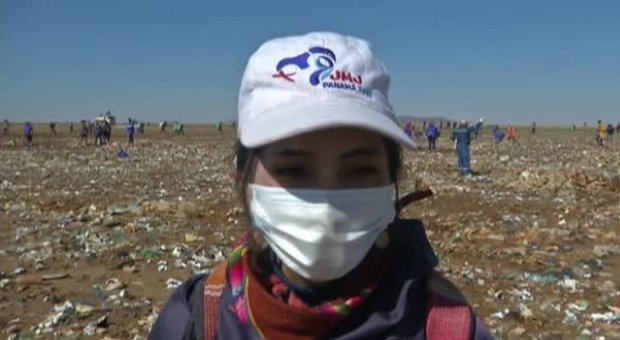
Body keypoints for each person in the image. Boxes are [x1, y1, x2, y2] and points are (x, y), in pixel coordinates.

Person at [148, 32, 492, 340]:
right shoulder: (195, 321)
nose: (328, 206)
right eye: (294, 169)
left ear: (393, 183)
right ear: (244, 184)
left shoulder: (445, 327)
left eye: (359, 170)